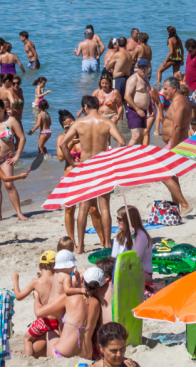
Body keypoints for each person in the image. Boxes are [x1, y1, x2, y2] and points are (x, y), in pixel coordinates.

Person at [59, 96, 125, 254]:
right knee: (105, 207)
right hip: (103, 166)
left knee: (83, 207)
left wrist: (73, 163)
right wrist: (112, 159)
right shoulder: (107, 122)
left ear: (85, 107)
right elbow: (121, 143)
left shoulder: (79, 123)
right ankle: (107, 245)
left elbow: (62, 144)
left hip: (86, 167)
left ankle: (80, 246)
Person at [56, 110, 105, 248]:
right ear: (62, 128)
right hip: (69, 175)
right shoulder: (62, 138)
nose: (70, 127)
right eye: (66, 126)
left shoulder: (84, 134)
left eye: (72, 123)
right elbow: (60, 157)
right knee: (69, 209)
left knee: (93, 209)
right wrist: (70, 143)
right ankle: (72, 242)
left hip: (86, 175)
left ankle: (102, 239)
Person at [33, 267, 105, 359]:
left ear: (82, 279)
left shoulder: (69, 297)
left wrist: (36, 297)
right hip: (87, 355)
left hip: (63, 353)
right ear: (99, 288)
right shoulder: (97, 304)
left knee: (51, 328)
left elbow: (38, 312)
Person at [14, 250, 58, 358]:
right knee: (41, 339)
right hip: (58, 320)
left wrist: (15, 280)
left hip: (46, 320)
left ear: (39, 267)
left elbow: (18, 296)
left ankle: (28, 359)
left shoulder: (36, 282)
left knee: (27, 339)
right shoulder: (58, 279)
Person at [160, 77, 193, 213]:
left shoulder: (178, 101)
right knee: (172, 176)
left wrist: (172, 149)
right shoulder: (179, 100)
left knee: (162, 173)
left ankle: (184, 204)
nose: (164, 91)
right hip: (176, 142)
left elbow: (177, 127)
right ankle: (176, 209)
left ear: (174, 88)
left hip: (176, 143)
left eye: (166, 89)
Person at [112, 206, 153, 283]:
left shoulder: (140, 236)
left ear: (128, 221)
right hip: (124, 269)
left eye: (119, 219)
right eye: (117, 218)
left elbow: (134, 261)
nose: (116, 221)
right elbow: (114, 256)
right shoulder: (119, 234)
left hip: (142, 272)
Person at [125, 60, 153, 145]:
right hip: (134, 110)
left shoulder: (146, 79)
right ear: (137, 68)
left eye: (145, 67)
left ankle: (136, 156)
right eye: (141, 67)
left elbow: (147, 94)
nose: (143, 69)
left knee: (141, 136)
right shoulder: (134, 79)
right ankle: (127, 156)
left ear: (148, 68)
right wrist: (137, 109)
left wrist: (150, 107)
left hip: (143, 111)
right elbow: (127, 96)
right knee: (136, 136)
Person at [106, 37, 133, 103]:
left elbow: (108, 67)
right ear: (126, 43)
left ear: (117, 43)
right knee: (126, 101)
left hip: (118, 79)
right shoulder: (129, 55)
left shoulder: (117, 54)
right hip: (127, 78)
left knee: (116, 100)